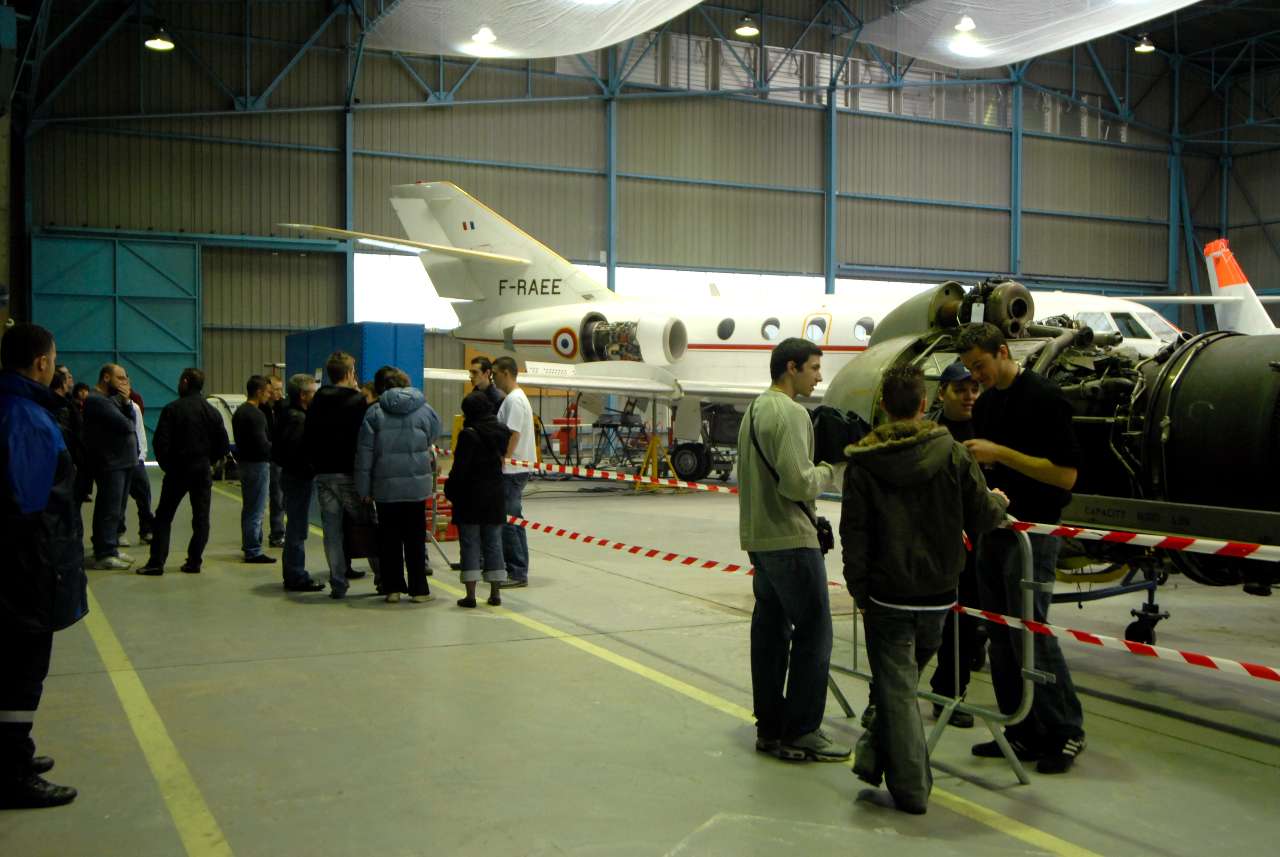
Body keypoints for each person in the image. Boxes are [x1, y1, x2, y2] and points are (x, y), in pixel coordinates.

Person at [841, 364, 1007, 814]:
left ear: (882, 407)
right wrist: (1000, 502)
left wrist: (858, 587)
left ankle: (911, 789)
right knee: (900, 685)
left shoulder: (863, 463)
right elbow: (982, 515)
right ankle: (875, 756)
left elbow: (853, 532)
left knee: (896, 689)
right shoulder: (953, 454)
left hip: (885, 594)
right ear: (921, 404)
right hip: (938, 592)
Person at [957, 322, 1087, 775]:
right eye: (971, 370)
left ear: (1003, 351)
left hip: (1035, 532)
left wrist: (1001, 454)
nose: (978, 377)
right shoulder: (989, 404)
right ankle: (1022, 724)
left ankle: (1066, 728)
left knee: (1030, 629)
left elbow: (1065, 476)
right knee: (998, 630)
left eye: (981, 365)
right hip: (997, 530)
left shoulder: (1045, 398)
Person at [737, 337, 849, 763]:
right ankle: (802, 730)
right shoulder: (789, 413)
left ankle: (770, 727)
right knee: (815, 632)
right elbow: (799, 483)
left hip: (760, 539)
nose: (820, 376)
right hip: (789, 539)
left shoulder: (755, 410)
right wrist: (830, 469)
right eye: (814, 367)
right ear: (791, 367)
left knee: (769, 632)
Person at [0, 323, 86, 808]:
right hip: (25, 570)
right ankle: (11, 771)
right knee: (22, 669)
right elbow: (27, 508)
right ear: (41, 363)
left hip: (19, 567)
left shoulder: (14, 408)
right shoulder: (27, 419)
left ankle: (14, 752)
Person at [926, 361, 987, 727]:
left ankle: (951, 691)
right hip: (943, 542)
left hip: (979, 540)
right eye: (960, 389)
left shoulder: (987, 428)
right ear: (942, 392)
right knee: (945, 621)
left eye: (974, 389)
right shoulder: (934, 434)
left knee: (968, 621)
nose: (969, 396)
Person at [355, 369, 441, 604]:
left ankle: (392, 589)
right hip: (416, 487)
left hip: (385, 488)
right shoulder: (425, 410)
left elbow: (365, 454)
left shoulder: (374, 412)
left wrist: (363, 489)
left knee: (388, 539)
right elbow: (433, 436)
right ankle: (419, 590)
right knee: (414, 538)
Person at [135, 369, 230, 576]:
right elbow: (223, 445)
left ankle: (156, 562)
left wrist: (168, 465)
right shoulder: (212, 412)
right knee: (201, 518)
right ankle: (194, 561)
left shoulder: (172, 409)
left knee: (163, 517)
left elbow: (160, 442)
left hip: (178, 470)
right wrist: (208, 461)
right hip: (202, 470)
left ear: (185, 382)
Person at [305, 351, 378, 599]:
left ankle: (338, 583)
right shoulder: (357, 402)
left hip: (324, 474)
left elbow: (310, 436)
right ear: (349, 374)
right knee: (366, 525)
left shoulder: (317, 400)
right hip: (349, 474)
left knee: (332, 532)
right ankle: (381, 576)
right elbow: (365, 439)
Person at [445, 391, 511, 608]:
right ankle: (495, 593)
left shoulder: (468, 434)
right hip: (494, 495)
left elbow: (460, 470)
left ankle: (471, 595)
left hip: (470, 497)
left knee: (470, 544)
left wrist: (450, 491)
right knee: (493, 543)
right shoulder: (501, 431)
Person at [82, 364, 138, 569]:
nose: (125, 382)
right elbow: (127, 425)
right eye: (120, 378)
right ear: (106, 378)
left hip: (123, 462)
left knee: (118, 509)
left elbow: (129, 419)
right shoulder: (97, 401)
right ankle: (104, 552)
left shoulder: (111, 401)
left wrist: (126, 404)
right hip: (111, 463)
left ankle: (110, 546)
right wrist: (125, 402)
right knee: (109, 508)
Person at [273, 373, 325, 592]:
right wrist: (312, 468)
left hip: (293, 475)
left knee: (296, 525)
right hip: (298, 478)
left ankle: (294, 572)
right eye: (313, 392)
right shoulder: (298, 419)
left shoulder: (288, 414)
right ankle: (296, 575)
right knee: (297, 527)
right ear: (303, 395)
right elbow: (296, 452)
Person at [492, 357, 534, 587]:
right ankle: (518, 569)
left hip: (512, 470)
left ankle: (517, 571)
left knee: (509, 521)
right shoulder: (513, 399)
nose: (494, 378)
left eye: (496, 373)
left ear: (506, 373)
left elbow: (514, 434)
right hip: (514, 468)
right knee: (514, 520)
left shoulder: (515, 401)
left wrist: (503, 459)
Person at [232, 375, 277, 565]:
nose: (269, 395)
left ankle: (250, 544)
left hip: (244, 463)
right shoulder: (256, 415)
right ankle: (253, 550)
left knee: (249, 506)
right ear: (258, 392)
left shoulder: (240, 412)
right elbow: (262, 443)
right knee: (257, 509)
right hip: (258, 464)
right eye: (267, 392)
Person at [119, 389, 154, 547]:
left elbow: (140, 432)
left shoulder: (135, 407)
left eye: (125, 381)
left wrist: (141, 456)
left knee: (144, 497)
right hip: (118, 463)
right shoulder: (108, 407)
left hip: (136, 461)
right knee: (119, 500)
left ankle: (146, 531)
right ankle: (118, 533)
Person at [263, 376, 286, 549]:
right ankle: (273, 534)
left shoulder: (284, 408)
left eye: (280, 389)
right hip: (267, 460)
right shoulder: (261, 409)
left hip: (281, 459)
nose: (278, 393)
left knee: (280, 498)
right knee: (273, 498)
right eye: (275, 389)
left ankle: (279, 533)